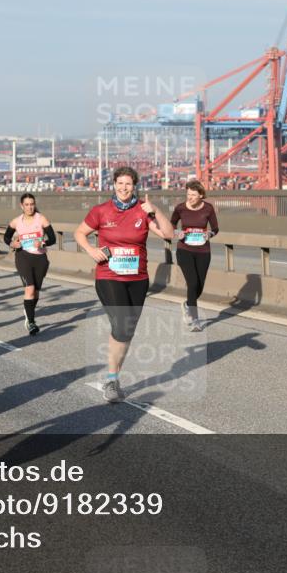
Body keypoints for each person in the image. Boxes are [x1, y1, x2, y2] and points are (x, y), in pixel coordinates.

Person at [74, 166, 173, 403]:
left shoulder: (143, 211)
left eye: (128, 184)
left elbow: (169, 235)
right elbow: (80, 233)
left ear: (135, 186)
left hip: (138, 278)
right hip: (109, 275)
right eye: (120, 183)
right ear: (114, 185)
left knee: (127, 330)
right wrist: (91, 250)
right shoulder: (101, 211)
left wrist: (155, 211)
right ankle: (110, 380)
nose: (123, 188)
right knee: (120, 325)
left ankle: (114, 376)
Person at [3, 193, 56, 335]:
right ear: (22, 206)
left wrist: (43, 242)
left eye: (32, 204)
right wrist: (12, 243)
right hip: (23, 257)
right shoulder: (16, 221)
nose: (30, 207)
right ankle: (31, 322)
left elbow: (53, 238)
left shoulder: (41, 219)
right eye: (26, 204)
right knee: (30, 288)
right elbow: (6, 237)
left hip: (40, 258)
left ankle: (28, 310)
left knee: (36, 291)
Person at [170, 180, 219, 331]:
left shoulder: (208, 209)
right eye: (188, 194)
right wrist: (178, 232)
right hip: (184, 249)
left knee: (199, 286)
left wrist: (209, 234)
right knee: (192, 283)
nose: (189, 197)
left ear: (201, 195)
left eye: (193, 195)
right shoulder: (180, 208)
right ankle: (195, 319)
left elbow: (216, 228)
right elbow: (171, 224)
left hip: (203, 251)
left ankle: (187, 304)